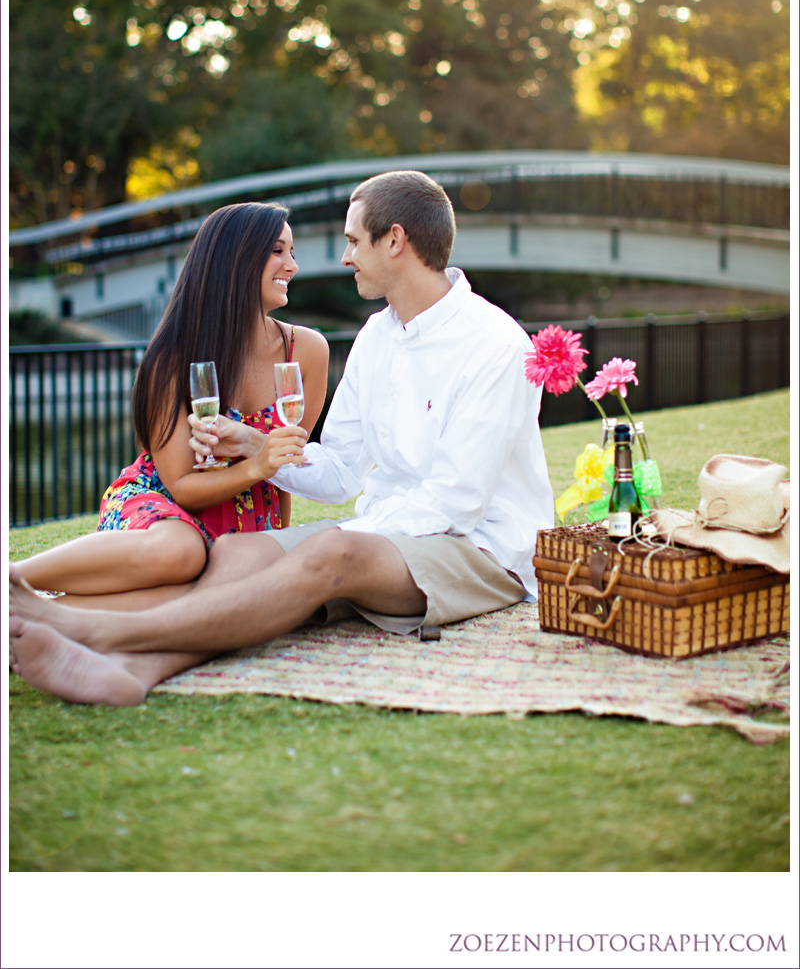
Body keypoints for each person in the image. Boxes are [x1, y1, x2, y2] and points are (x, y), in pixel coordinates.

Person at [9, 170, 554, 706]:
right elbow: (341, 469)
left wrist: (353, 535)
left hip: (480, 548)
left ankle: (94, 631)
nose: (343, 258)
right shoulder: (377, 336)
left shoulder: (496, 344)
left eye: (352, 240)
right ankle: (136, 671)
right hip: (396, 529)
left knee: (332, 549)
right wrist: (252, 446)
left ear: (394, 241)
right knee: (240, 552)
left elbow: (455, 502)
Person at [13, 202, 328, 610]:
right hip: (163, 510)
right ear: (236, 259)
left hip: (246, 525)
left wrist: (279, 537)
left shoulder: (306, 351)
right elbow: (181, 486)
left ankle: (28, 616)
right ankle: (15, 576)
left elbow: (286, 471)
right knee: (183, 553)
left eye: (293, 252)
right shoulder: (173, 358)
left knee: (190, 604)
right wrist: (256, 465)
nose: (292, 266)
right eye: (277, 251)